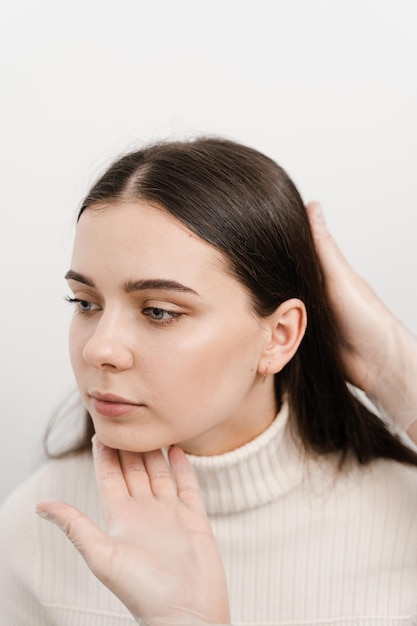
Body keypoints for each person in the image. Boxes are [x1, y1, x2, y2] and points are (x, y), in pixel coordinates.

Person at [0, 137, 416, 626]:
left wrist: (396, 369)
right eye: (85, 303)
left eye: (159, 311)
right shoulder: (41, 524)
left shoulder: (403, 518)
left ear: (279, 336)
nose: (99, 349)